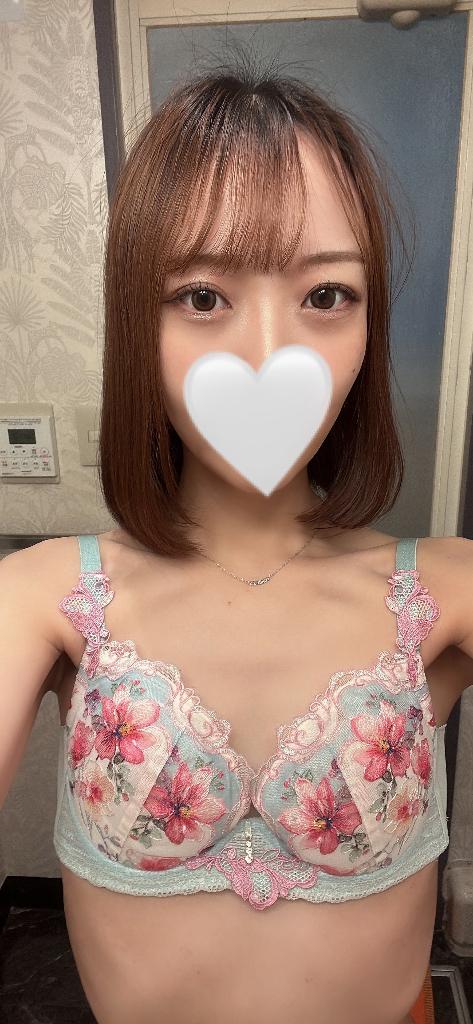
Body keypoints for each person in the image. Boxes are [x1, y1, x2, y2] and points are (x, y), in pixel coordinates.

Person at [2, 55, 472, 1024]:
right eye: (203, 296)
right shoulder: (43, 596)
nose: (269, 352)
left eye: (325, 295)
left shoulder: (444, 589)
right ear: (138, 319)